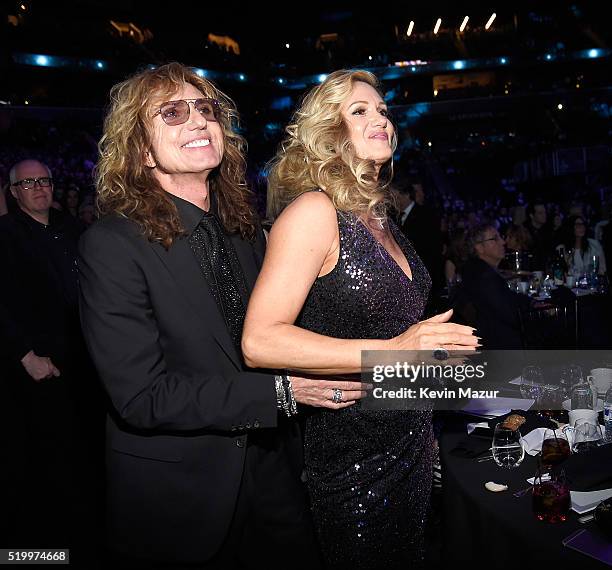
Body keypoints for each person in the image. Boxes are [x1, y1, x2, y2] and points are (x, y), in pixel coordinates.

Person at [78, 62, 365, 568]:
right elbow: (141, 396)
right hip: (182, 495)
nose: (196, 121)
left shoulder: (245, 230)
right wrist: (280, 392)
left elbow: (282, 337)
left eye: (204, 109)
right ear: (141, 149)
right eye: (172, 113)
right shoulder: (112, 245)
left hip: (276, 472)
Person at [242, 69, 478, 569]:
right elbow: (260, 341)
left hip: (412, 443)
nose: (382, 120)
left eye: (384, 111)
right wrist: (396, 350)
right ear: (330, 132)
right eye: (360, 110)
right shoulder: (313, 211)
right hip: (356, 462)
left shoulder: (383, 220)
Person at [0, 159, 99, 557]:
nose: (39, 187)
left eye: (44, 180)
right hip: (38, 362)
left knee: (84, 451)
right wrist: (25, 355)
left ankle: (86, 538)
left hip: (85, 359)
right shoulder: (4, 236)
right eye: (29, 183)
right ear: (14, 191)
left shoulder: (74, 228)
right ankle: (45, 547)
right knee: (45, 457)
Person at [454, 224, 531, 349]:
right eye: (495, 239)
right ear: (479, 247)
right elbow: (511, 314)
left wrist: (530, 302)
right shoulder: (484, 276)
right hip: (501, 346)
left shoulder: (476, 270)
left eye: (500, 237)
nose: (503, 242)